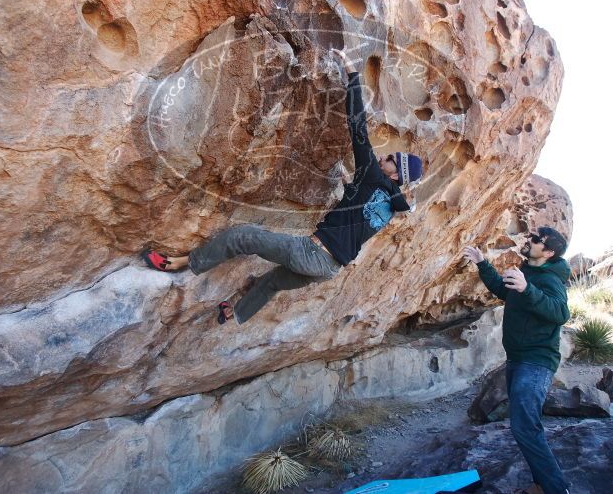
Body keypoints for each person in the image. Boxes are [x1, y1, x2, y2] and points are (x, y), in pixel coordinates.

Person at [143, 48, 423, 325]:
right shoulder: (391, 204)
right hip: (329, 269)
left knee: (242, 236)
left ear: (395, 174)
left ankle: (183, 264)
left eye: (389, 160)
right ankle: (235, 312)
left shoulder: (374, 176)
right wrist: (351, 188)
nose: (381, 157)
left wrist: (352, 75)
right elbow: (359, 217)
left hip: (312, 254)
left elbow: (357, 127)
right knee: (273, 283)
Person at [463, 227, 572, 494]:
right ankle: (541, 485)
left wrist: (527, 289)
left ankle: (556, 489)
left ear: (548, 252)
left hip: (536, 362)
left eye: (536, 240)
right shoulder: (530, 271)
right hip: (518, 359)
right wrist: (482, 263)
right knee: (524, 427)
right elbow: (504, 290)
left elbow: (560, 313)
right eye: (532, 236)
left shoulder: (550, 279)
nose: (529, 240)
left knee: (525, 426)